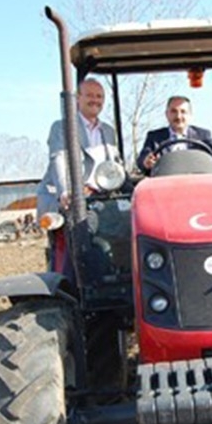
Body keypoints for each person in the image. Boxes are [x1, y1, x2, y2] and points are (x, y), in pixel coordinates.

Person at [35, 77, 122, 275]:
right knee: (82, 233)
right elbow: (60, 158)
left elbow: (114, 165)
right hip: (74, 195)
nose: (95, 100)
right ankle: (77, 286)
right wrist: (67, 191)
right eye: (90, 95)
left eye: (99, 96)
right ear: (77, 99)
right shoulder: (63, 127)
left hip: (101, 197)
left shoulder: (108, 131)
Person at [136, 96, 212, 175]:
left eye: (183, 111)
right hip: (164, 184)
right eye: (174, 111)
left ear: (190, 115)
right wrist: (146, 162)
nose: (178, 116)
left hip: (197, 183)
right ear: (167, 114)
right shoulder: (154, 137)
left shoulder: (203, 136)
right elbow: (143, 158)